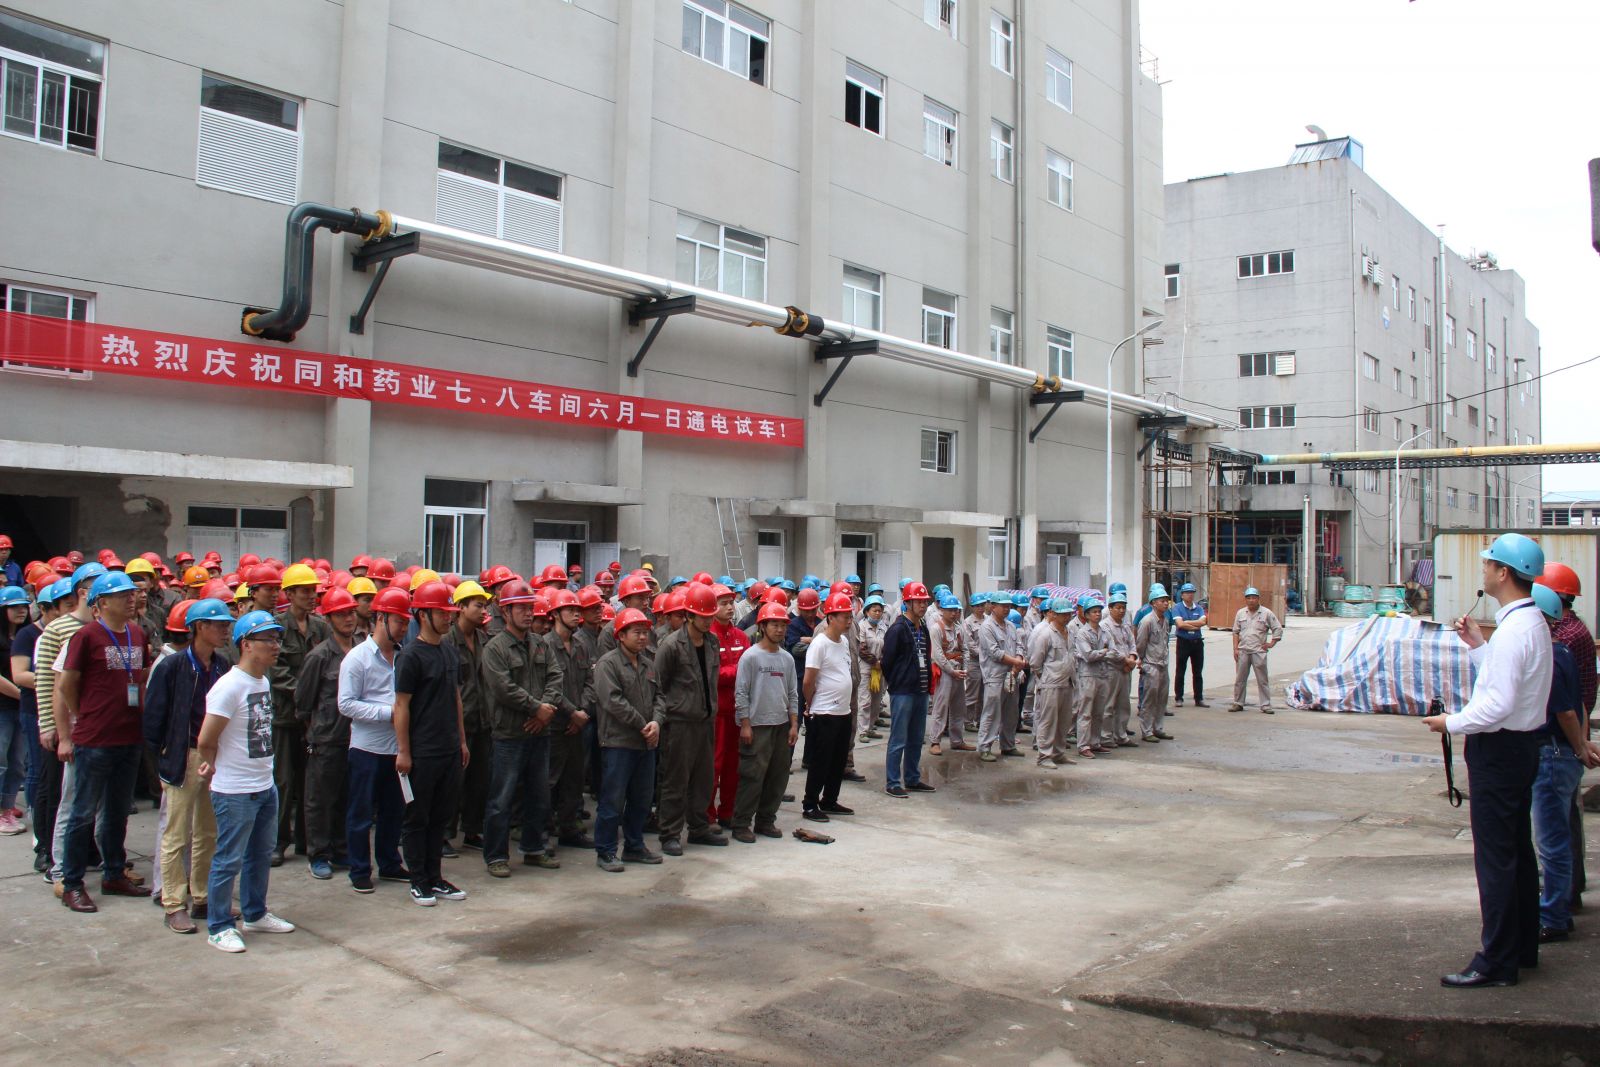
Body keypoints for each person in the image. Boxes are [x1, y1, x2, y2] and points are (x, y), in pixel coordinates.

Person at [1422, 532, 1552, 988]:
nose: (1484, 570)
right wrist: (1479, 646)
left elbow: (1496, 705)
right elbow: (1507, 684)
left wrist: (1451, 723)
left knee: (1496, 861)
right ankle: (1521, 949)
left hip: (1499, 751)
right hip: (1521, 747)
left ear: (1503, 573)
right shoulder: (1529, 622)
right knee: (1516, 853)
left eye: (1488, 565)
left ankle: (1496, 961)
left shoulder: (1516, 630)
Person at [196, 610, 297, 951]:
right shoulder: (229, 686)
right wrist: (212, 765)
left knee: (260, 854)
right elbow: (206, 739)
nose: (275, 646)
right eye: (267, 639)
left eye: (277, 639)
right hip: (235, 790)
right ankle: (219, 925)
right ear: (246, 644)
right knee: (228, 859)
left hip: (264, 785)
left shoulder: (262, 682)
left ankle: (255, 913)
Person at [56, 571, 152, 913]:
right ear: (102, 603)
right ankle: (72, 883)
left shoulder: (137, 633)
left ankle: (114, 873)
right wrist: (82, 714)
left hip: (128, 736)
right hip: (95, 739)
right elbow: (67, 683)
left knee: (116, 812)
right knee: (82, 813)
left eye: (132, 594)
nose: (131, 599)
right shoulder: (86, 636)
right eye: (123, 595)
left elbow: (140, 678)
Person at [143, 598, 231, 932]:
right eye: (218, 625)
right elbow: (153, 720)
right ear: (198, 628)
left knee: (208, 831)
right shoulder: (172, 666)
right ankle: (173, 903)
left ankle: (202, 896)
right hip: (183, 756)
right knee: (176, 833)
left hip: (212, 755)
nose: (224, 630)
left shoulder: (222, 666)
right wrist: (164, 758)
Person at [1525, 581, 1599, 944]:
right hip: (1563, 755)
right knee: (1561, 837)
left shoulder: (1550, 658)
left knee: (1551, 842)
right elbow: (1581, 703)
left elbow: (1566, 712)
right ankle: (1560, 908)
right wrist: (1581, 745)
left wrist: (1579, 747)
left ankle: (1553, 916)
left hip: (1553, 755)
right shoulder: (1564, 651)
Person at [480, 579, 565, 878]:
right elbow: (503, 688)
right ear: (505, 612)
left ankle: (534, 848)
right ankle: (496, 855)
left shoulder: (541, 643)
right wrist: (536, 708)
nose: (529, 614)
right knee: (501, 799)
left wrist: (544, 711)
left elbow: (556, 677)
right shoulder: (495, 648)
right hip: (509, 735)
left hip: (539, 732)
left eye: (531, 608)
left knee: (539, 796)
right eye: (521, 608)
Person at [393, 581, 469, 907]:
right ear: (423, 615)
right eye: (442, 612)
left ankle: (435, 877)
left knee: (440, 817)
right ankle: (418, 880)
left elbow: (456, 698)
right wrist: (404, 751)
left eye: (449, 612)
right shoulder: (410, 656)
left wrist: (461, 740)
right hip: (422, 751)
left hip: (449, 748)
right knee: (417, 818)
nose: (448, 617)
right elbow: (401, 705)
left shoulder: (448, 651)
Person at [338, 585, 413, 894]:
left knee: (393, 811)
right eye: (399, 621)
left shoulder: (404, 656)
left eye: (406, 622)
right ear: (381, 618)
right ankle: (359, 869)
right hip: (366, 749)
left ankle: (389, 863)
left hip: (396, 748)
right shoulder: (357, 659)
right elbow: (346, 704)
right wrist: (389, 713)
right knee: (361, 812)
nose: (404, 628)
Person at [1537, 562, 1594, 911]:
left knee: (1555, 830)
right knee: (1564, 820)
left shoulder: (1561, 641)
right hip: (1571, 738)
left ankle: (1560, 902)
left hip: (1561, 742)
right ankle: (1569, 889)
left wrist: (1579, 745)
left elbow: (1567, 709)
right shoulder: (1574, 631)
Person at [296, 587, 363, 880]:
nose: (348, 619)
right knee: (320, 799)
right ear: (329, 619)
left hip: (357, 737)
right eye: (341, 614)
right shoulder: (319, 656)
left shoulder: (362, 650)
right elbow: (303, 702)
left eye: (351, 613)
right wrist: (316, 731)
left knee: (347, 797)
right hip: (326, 738)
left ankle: (341, 848)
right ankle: (319, 853)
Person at [653, 582, 725, 855]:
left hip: (706, 721)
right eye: (702, 616)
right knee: (675, 780)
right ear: (689, 615)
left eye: (710, 616)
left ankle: (698, 827)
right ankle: (669, 833)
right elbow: (658, 686)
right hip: (679, 723)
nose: (707, 621)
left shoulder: (712, 642)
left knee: (703, 779)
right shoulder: (671, 646)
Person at [268, 563, 331, 867]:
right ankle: (278, 841)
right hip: (286, 718)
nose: (310, 596)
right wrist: (307, 693)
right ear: (290, 594)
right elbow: (276, 671)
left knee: (310, 781)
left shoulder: (321, 627)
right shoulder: (277, 627)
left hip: (313, 721)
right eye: (304, 591)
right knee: (283, 781)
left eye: (313, 591)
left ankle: (308, 840)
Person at [592, 608, 662, 871]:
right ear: (621, 636)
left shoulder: (648, 663)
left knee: (641, 799)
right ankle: (606, 851)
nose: (643, 637)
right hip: (618, 742)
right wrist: (643, 723)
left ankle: (634, 845)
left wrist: (657, 721)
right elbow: (612, 701)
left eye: (645, 633)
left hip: (646, 742)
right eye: (637, 632)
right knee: (613, 799)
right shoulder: (608, 664)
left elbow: (660, 697)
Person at [730, 601, 799, 841]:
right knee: (752, 776)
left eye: (783, 625)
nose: (779, 630)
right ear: (762, 626)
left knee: (777, 777)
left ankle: (766, 820)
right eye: (774, 625)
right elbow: (741, 693)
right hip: (757, 726)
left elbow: (792, 693)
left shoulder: (787, 659)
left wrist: (793, 723)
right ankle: (741, 824)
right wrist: (745, 724)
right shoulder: (750, 657)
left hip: (781, 725)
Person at [545, 587, 594, 850]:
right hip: (554, 725)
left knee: (574, 780)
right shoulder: (544, 645)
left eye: (578, 610)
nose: (576, 614)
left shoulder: (581, 646)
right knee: (548, 781)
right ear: (555, 614)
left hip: (578, 724)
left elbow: (590, 682)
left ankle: (569, 829)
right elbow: (548, 687)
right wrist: (571, 712)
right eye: (570, 610)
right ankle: (542, 833)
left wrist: (582, 712)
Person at [445, 580, 492, 855]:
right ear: (461, 607)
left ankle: (472, 830)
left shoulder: (484, 640)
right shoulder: (448, 642)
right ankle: (444, 834)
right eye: (478, 605)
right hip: (456, 724)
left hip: (483, 721)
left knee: (479, 781)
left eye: (485, 605)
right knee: (453, 782)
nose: (483, 610)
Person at [801, 593, 857, 818]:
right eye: (845, 617)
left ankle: (830, 800)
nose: (849, 621)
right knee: (821, 760)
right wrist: (810, 702)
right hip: (824, 712)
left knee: (838, 760)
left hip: (843, 711)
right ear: (830, 618)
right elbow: (808, 680)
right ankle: (810, 804)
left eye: (850, 616)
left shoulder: (844, 642)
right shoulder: (819, 644)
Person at [707, 583, 749, 830]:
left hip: (737, 712)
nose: (730, 607)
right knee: (714, 765)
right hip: (716, 713)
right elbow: (713, 675)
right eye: (723, 603)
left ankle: (728, 812)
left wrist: (733, 672)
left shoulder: (740, 637)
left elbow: (748, 671)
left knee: (734, 766)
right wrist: (737, 670)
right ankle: (708, 816)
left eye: (731, 602)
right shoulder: (708, 638)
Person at [1026, 598, 1076, 768]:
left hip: (1067, 682)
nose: (1067, 617)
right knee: (1048, 721)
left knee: (1064, 721)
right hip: (1050, 684)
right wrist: (1046, 678)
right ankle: (1044, 756)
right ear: (1053, 614)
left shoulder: (1069, 633)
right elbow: (1035, 662)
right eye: (1063, 614)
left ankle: (1058, 753)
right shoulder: (1045, 634)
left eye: (1069, 614)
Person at [977, 593, 1026, 762]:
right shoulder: (987, 627)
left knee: (1011, 713)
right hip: (995, 676)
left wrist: (1018, 659)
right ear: (993, 607)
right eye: (1003, 606)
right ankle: (984, 747)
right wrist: (1016, 662)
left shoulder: (1011, 626)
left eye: (1008, 606)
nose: (1006, 609)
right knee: (991, 713)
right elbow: (994, 653)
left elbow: (1019, 645)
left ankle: (1008, 745)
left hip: (1012, 674)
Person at [1072, 597, 1117, 759]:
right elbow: (1088, 656)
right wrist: (1104, 652)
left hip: (1102, 674)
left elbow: (1114, 652)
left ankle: (1095, 742)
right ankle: (1083, 745)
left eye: (1099, 611)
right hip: (1088, 675)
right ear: (1087, 615)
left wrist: (1102, 653)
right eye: (1094, 612)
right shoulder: (1082, 633)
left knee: (1099, 711)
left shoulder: (1105, 631)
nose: (1097, 614)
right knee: (1086, 712)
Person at [0, 586, 29, 837]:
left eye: (24, 606)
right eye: (14, 606)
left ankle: (6, 809)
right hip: (3, 709)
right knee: (1, 763)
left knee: (17, 765)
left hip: (20, 710)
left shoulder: (25, 637)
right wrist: (22, 693)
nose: (21, 610)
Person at [926, 592, 968, 755]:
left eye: (955, 610)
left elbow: (966, 649)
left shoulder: (959, 628)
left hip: (959, 670)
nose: (953, 613)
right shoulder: (936, 628)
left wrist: (965, 668)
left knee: (958, 707)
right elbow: (937, 655)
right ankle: (935, 741)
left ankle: (957, 740)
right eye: (950, 610)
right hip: (945, 672)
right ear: (942, 610)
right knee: (941, 707)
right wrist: (952, 671)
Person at [1228, 587, 1282, 714]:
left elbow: (1277, 628)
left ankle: (1265, 705)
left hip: (1258, 651)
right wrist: (1235, 648)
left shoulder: (1266, 613)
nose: (1251, 600)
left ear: (1258, 599)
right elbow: (1235, 632)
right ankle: (1238, 703)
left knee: (1262, 680)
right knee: (1240, 679)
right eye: (1248, 598)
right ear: (1245, 599)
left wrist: (1271, 643)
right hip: (1243, 651)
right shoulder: (1241, 613)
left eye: (1254, 598)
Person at [1137, 585, 1176, 743]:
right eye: (1162, 601)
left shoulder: (1165, 620)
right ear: (1153, 603)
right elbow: (1141, 643)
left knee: (1162, 698)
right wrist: (1141, 662)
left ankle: (1157, 728)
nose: (1166, 603)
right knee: (1149, 699)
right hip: (1151, 664)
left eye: (1166, 600)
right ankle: (1146, 731)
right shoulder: (1147, 621)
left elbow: (1164, 642)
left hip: (1162, 663)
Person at [1101, 592, 1139, 747]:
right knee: (1108, 704)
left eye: (1123, 607)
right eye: (1118, 607)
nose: (1121, 611)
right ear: (1110, 608)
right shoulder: (1105, 626)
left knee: (1124, 704)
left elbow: (1132, 643)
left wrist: (1132, 657)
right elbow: (1110, 650)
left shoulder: (1125, 626)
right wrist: (1126, 660)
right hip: (1112, 669)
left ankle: (1121, 735)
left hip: (1125, 669)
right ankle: (1105, 736)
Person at [853, 595, 887, 742]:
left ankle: (871, 727)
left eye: (880, 611)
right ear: (867, 611)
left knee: (876, 699)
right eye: (874, 610)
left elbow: (888, 646)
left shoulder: (883, 627)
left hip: (880, 667)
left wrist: (882, 662)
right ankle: (863, 731)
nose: (877, 613)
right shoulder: (861, 626)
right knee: (865, 700)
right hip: (865, 667)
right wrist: (874, 661)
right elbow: (861, 648)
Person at [1171, 583, 1209, 707]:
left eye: (1192, 593)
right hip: (1183, 642)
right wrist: (1194, 625)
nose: (1190, 595)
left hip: (1197, 643)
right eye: (1187, 593)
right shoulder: (1177, 608)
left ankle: (1199, 698)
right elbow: (1180, 624)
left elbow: (1203, 622)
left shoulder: (1198, 608)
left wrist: (1187, 622)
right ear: (1182, 595)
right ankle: (1179, 698)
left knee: (1198, 672)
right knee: (1180, 670)